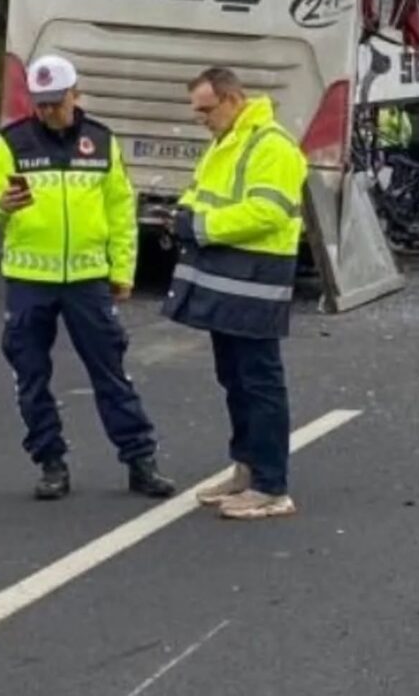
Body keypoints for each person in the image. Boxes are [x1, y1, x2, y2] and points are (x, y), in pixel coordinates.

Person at [0, 54, 174, 501]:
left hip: (87, 279)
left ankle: (141, 460)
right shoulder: (12, 142)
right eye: (40, 103)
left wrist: (122, 271)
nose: (47, 111)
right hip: (29, 278)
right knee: (30, 374)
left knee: (111, 371)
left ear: (75, 94)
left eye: (55, 102)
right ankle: (50, 462)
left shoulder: (101, 142)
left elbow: (121, 213)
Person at [163, 67, 307, 520]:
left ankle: (271, 486)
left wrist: (201, 227)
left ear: (231, 99)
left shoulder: (272, 145)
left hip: (257, 278)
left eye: (206, 109)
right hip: (227, 277)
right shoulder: (226, 143)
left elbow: (270, 210)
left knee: (259, 381)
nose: (200, 118)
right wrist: (183, 214)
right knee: (235, 378)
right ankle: (246, 468)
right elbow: (199, 191)